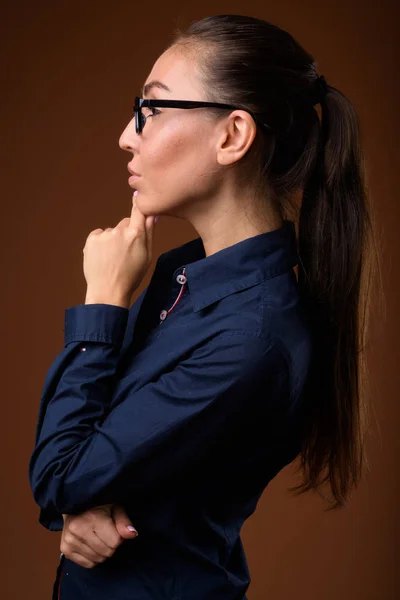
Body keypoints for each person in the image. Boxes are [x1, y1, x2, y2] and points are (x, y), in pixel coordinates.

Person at [28, 14, 382, 600]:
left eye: (153, 109)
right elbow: (87, 462)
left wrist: (103, 303)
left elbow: (63, 470)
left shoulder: (252, 337)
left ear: (232, 136)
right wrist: (74, 508)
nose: (127, 134)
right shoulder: (183, 277)